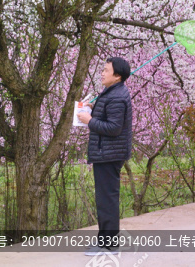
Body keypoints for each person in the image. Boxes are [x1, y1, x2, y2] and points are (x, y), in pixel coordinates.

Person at [80, 57, 133, 256]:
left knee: (107, 199)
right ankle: (106, 241)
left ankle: (109, 244)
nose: (101, 73)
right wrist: (93, 110)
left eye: (106, 70)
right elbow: (110, 116)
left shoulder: (117, 96)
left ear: (117, 75)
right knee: (105, 198)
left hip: (109, 153)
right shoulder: (113, 91)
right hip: (107, 152)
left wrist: (89, 120)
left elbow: (113, 128)